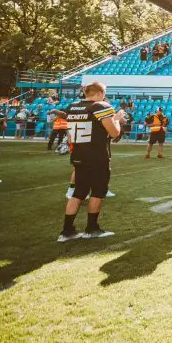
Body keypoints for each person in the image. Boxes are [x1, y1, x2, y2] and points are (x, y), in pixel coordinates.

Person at [57, 83, 126, 242]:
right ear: (100, 93)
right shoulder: (101, 106)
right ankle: (92, 228)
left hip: (78, 155)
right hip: (96, 156)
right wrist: (116, 119)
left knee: (78, 193)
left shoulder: (72, 106)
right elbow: (114, 133)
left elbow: (70, 134)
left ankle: (66, 231)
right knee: (98, 192)